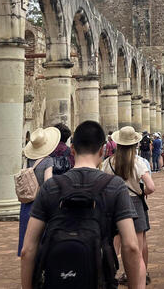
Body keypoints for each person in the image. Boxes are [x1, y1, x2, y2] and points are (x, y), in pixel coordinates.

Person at [20, 120, 144, 289]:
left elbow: (28, 249)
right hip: (99, 280)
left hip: (57, 279)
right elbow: (130, 246)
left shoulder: (50, 187)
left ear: (72, 150)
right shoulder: (115, 186)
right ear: (102, 151)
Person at [102, 126, 156, 285]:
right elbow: (151, 187)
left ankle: (110, 279)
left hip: (114, 204)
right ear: (135, 144)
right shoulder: (138, 162)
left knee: (113, 247)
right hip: (134, 203)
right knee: (137, 251)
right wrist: (142, 192)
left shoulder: (108, 162)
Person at [16, 126, 60, 256]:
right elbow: (48, 182)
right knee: (42, 236)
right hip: (40, 202)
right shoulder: (48, 161)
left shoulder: (27, 160)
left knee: (26, 235)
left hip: (27, 201)